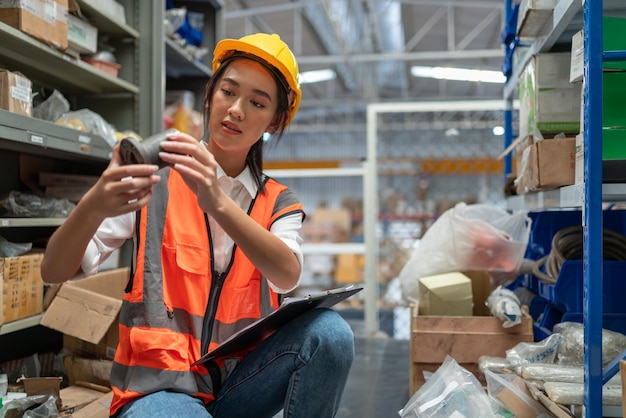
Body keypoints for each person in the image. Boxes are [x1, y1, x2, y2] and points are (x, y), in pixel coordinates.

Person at [41, 33, 355, 418]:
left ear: (274, 120)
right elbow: (54, 270)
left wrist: (218, 202)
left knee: (331, 334)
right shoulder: (155, 181)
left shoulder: (278, 202)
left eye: (257, 102)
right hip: (158, 389)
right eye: (228, 92)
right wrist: (91, 206)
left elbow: (286, 274)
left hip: (239, 386)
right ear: (209, 95)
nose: (236, 109)